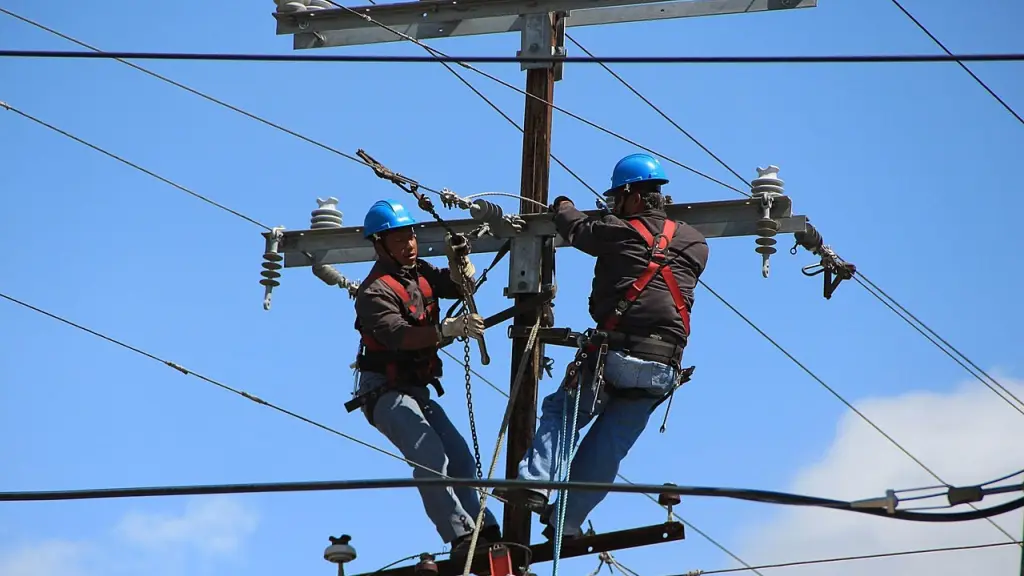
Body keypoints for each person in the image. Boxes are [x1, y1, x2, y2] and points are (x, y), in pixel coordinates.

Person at [493, 153, 709, 541]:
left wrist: (562, 204)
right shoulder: (696, 243)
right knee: (609, 445)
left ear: (633, 196)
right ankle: (567, 521)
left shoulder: (617, 230)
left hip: (616, 355)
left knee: (563, 413)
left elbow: (575, 227)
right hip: (663, 367)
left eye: (618, 200)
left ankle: (534, 483)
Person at [350, 198, 502, 559]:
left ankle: (485, 527)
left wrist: (459, 263)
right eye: (398, 238)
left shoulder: (419, 273)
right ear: (380, 244)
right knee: (430, 454)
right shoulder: (374, 292)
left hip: (416, 390)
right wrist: (448, 329)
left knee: (461, 458)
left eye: (410, 235)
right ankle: (461, 535)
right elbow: (399, 335)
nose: (409, 243)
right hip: (383, 392)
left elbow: (456, 287)